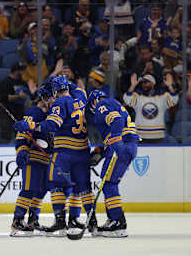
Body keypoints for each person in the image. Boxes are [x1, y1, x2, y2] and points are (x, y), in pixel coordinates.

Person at [14, 76, 97, 236]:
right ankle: (92, 222)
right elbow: (22, 137)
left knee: (55, 185)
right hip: (83, 150)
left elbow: (51, 125)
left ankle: (60, 221)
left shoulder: (59, 103)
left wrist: (30, 125)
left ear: (53, 92)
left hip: (65, 151)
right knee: (83, 187)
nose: (49, 100)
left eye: (49, 96)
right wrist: (22, 149)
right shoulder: (80, 96)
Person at [87, 89, 139, 237]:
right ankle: (113, 219)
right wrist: (99, 152)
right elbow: (112, 132)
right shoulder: (112, 104)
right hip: (125, 145)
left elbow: (116, 121)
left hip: (122, 145)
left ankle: (118, 222)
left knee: (109, 183)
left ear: (94, 101)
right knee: (107, 181)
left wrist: (116, 143)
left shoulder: (102, 104)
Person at [10, 82, 53, 236]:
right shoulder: (35, 111)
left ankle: (33, 219)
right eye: (52, 96)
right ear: (45, 97)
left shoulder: (52, 114)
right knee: (29, 189)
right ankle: (17, 221)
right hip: (33, 158)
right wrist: (22, 150)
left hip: (46, 159)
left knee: (41, 190)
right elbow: (22, 133)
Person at [123, 73, 178, 143]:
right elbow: (127, 99)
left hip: (158, 136)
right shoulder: (138, 96)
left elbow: (174, 99)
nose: (143, 85)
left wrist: (170, 86)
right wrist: (133, 85)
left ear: (152, 83)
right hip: (140, 135)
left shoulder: (162, 96)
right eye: (142, 83)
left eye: (146, 82)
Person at [0, 62, 27, 141]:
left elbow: (28, 94)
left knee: (21, 136)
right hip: (7, 113)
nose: (24, 73)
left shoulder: (23, 82)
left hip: (20, 113)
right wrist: (18, 96)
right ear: (16, 71)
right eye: (22, 71)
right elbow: (5, 97)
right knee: (6, 136)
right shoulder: (5, 82)